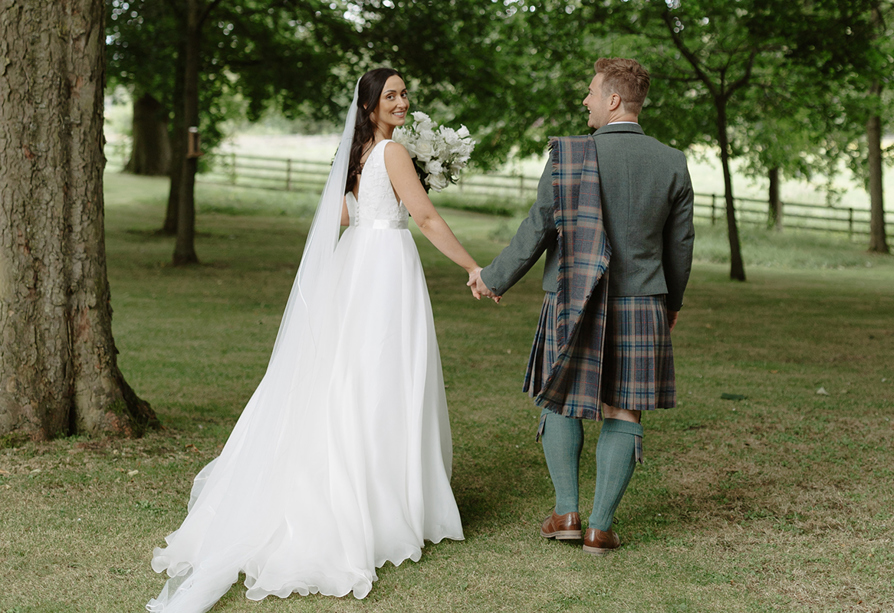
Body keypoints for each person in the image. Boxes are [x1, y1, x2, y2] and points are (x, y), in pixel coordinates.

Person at [147, 68, 484, 612]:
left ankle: (370, 492)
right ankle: (380, 503)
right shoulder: (393, 155)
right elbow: (421, 215)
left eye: (404, 94)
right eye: (391, 96)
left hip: (359, 265)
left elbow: (347, 213)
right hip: (385, 269)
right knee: (382, 378)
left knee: (353, 378)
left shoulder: (360, 154)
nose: (401, 102)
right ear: (370, 105)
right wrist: (473, 266)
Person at [469, 57, 694, 555]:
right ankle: (599, 527)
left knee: (559, 394)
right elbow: (680, 247)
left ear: (613, 99)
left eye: (591, 92)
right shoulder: (671, 162)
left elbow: (539, 226)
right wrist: (670, 303)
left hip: (572, 295)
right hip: (641, 302)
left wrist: (493, 277)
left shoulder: (569, 155)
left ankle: (566, 512)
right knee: (623, 407)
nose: (585, 100)